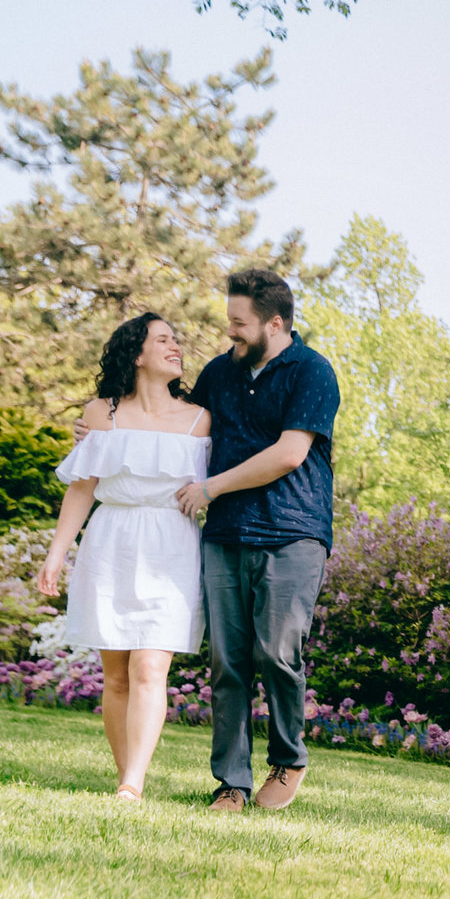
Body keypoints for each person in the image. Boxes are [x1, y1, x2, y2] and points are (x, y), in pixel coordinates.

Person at [175, 268, 340, 812]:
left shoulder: (312, 371)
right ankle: (232, 782)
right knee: (228, 662)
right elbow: (179, 424)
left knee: (277, 652)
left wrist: (211, 487)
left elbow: (289, 453)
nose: (231, 334)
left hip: (293, 531)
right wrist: (102, 421)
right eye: (230, 323)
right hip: (225, 533)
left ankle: (289, 760)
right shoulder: (220, 373)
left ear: (275, 322)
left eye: (240, 324)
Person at [40, 315, 209, 801]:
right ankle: (125, 777)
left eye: (176, 339)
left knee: (150, 668)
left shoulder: (201, 420)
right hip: (111, 540)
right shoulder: (100, 414)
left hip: (172, 545)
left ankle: (133, 783)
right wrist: (56, 555)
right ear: (136, 354)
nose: (175, 346)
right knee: (115, 675)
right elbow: (81, 489)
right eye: (163, 340)